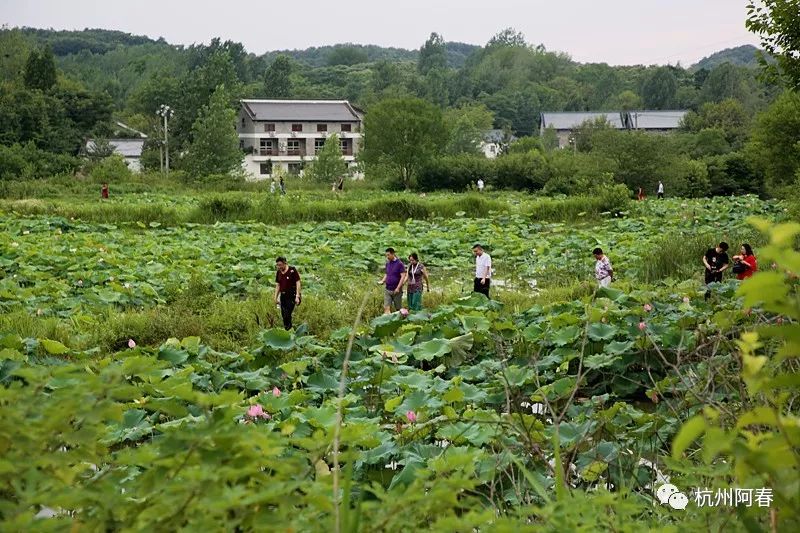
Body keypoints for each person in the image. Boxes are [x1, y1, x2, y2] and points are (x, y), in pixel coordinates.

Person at [274, 257, 301, 330]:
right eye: (277, 265)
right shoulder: (279, 272)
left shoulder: (292, 270)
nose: (279, 267)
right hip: (283, 296)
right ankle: (288, 329)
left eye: (280, 265)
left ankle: (289, 330)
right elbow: (278, 285)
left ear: (285, 263)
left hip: (292, 295)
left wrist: (297, 296)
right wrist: (275, 297)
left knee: (287, 314)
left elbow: (298, 282)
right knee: (284, 315)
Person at [378, 248, 406, 314]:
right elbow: (386, 274)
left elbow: (403, 276)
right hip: (388, 289)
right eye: (386, 255)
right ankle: (387, 319)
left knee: (398, 309)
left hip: (396, 290)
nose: (387, 257)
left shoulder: (399, 264)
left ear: (393, 254)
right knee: (386, 308)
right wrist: (382, 280)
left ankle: (401, 318)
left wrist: (398, 288)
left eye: (388, 255)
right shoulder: (387, 263)